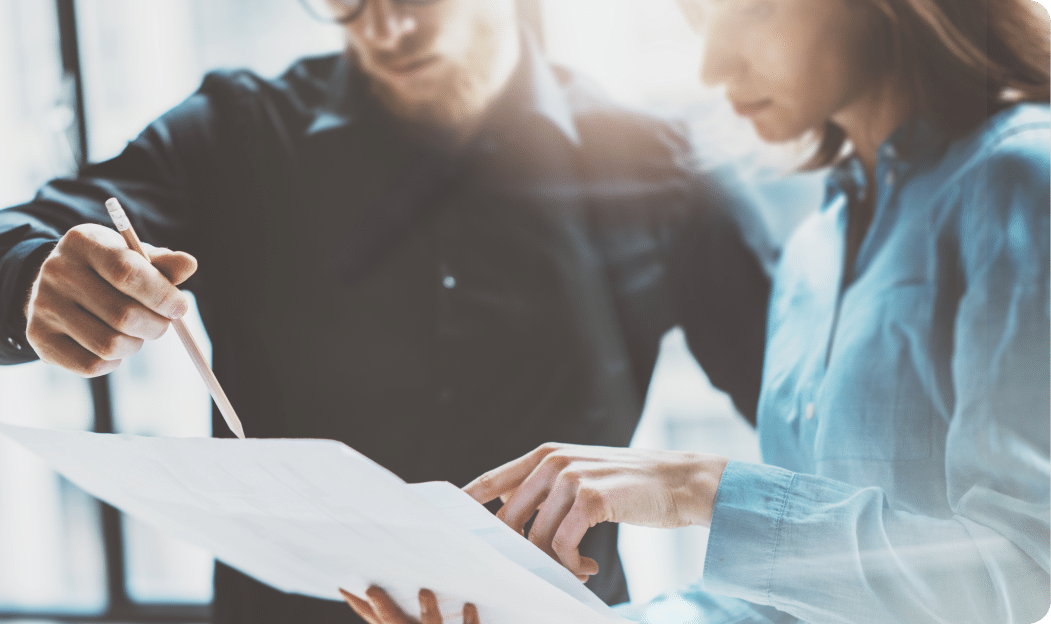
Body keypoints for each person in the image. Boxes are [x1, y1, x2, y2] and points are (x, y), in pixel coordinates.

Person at [0, 0, 775, 622]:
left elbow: (808, 413)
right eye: (347, 1)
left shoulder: (662, 171)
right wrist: (33, 276)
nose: (384, 27)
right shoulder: (236, 134)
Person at [344, 0, 1050, 622]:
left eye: (749, 10)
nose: (712, 66)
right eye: (694, 21)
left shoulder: (1021, 180)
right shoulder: (816, 245)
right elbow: (791, 605)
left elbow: (1020, 574)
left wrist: (694, 488)